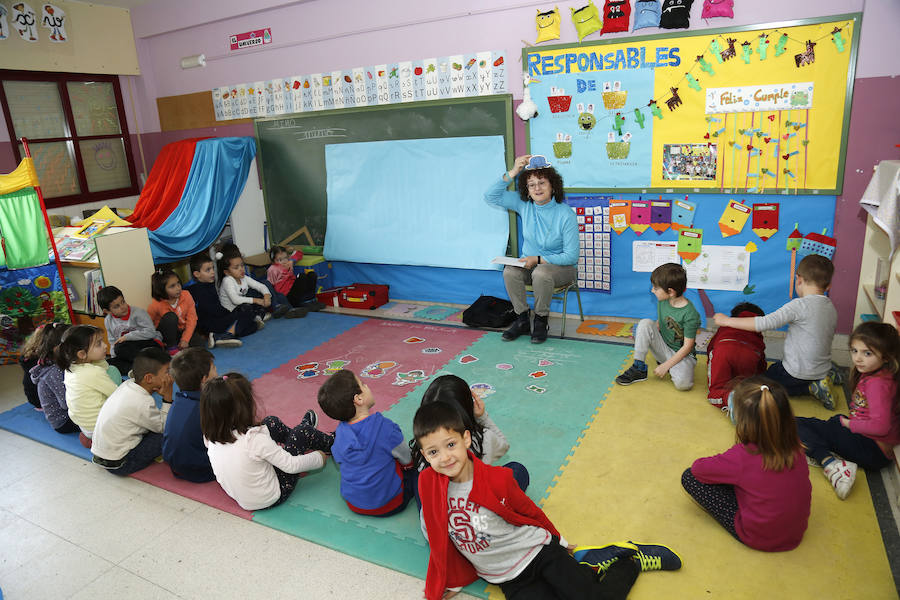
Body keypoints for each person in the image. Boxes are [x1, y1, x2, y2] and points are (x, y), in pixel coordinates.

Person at [414, 401, 680, 600]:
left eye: (451, 445)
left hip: (538, 553)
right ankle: (590, 567)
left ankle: (629, 562)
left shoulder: (498, 479)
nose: (445, 457)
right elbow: (437, 533)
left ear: (466, 439)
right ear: (425, 456)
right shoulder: (428, 484)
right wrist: (452, 577)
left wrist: (560, 540)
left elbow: (529, 511)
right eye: (434, 452)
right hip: (508, 578)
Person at [681, 377, 811, 552]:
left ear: (743, 421)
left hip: (758, 537)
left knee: (689, 477)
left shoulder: (743, 455)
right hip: (795, 533)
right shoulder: (796, 444)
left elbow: (698, 469)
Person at [713, 254, 838, 409]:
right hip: (821, 368)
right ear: (828, 287)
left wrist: (727, 321)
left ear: (798, 280)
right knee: (776, 370)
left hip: (796, 372)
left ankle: (810, 388)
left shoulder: (799, 305)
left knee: (759, 384)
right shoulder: (830, 307)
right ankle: (825, 377)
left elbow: (764, 323)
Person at [796, 322, 900, 500]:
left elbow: (881, 427)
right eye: (854, 351)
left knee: (794, 426)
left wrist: (848, 424)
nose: (858, 358)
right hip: (872, 445)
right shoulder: (881, 374)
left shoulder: (878, 384)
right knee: (824, 424)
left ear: (886, 356)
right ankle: (820, 447)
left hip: (871, 448)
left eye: (867, 353)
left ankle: (832, 465)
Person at [202, 372, 333, 510]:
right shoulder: (254, 440)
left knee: (271, 423)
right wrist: (319, 458)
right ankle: (331, 443)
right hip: (271, 495)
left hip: (245, 497)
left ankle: (305, 437)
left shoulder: (209, 437)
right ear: (244, 408)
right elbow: (291, 465)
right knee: (302, 432)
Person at [484, 154, 578, 344]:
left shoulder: (565, 214)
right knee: (510, 271)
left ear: (552, 186)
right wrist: (513, 172)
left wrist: (539, 259)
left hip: (561, 269)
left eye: (542, 183)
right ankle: (522, 319)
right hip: (532, 267)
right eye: (531, 184)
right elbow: (490, 196)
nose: (537, 188)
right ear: (526, 190)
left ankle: (541, 320)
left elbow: (571, 256)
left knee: (542, 273)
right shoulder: (524, 205)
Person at [317, 369, 416, 517]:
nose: (367, 385)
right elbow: (407, 459)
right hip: (391, 504)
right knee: (418, 469)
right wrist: (410, 466)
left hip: (354, 504)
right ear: (359, 399)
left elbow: (340, 462)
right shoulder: (385, 428)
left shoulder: (340, 434)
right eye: (363, 384)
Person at [411, 374, 528, 492]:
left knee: (418, 476)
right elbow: (503, 446)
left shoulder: (424, 442)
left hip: (439, 504)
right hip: (479, 504)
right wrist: (482, 417)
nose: (446, 458)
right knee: (517, 469)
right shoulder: (483, 438)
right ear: (467, 408)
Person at [616, 263, 700, 391]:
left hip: (683, 355)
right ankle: (639, 368)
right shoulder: (663, 301)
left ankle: (670, 366)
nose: (652, 290)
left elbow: (687, 347)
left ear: (670, 292)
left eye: (655, 288)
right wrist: (642, 335)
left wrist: (666, 366)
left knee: (683, 385)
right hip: (664, 348)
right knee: (644, 323)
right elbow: (660, 324)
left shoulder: (690, 314)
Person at [91, 347, 173, 476]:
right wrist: (168, 398)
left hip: (101, 456)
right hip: (120, 464)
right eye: (167, 372)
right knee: (169, 434)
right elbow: (164, 427)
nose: (170, 376)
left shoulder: (128, 385)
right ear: (149, 378)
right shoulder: (142, 402)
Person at [57, 325, 122, 445]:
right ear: (81, 354)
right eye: (99, 344)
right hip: (101, 427)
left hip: (85, 426)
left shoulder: (70, 368)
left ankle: (91, 438)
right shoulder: (93, 373)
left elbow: (104, 366)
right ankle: (102, 441)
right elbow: (117, 395)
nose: (105, 345)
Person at [163, 347, 217, 483]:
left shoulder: (179, 399)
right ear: (204, 379)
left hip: (174, 466)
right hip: (202, 471)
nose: (217, 372)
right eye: (214, 369)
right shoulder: (208, 406)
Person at [706, 302, 767, 412]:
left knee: (716, 389)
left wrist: (712, 366)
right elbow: (761, 361)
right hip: (749, 355)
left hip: (723, 350)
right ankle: (748, 399)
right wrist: (759, 378)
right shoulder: (756, 330)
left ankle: (729, 399)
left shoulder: (726, 325)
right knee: (746, 386)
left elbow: (710, 348)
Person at [186, 252, 251, 348]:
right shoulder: (197, 290)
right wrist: (231, 313)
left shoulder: (209, 283)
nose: (212, 272)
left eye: (212, 268)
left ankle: (227, 333)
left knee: (249, 320)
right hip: (210, 324)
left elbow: (217, 305)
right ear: (197, 274)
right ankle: (224, 335)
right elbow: (211, 309)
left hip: (217, 319)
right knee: (246, 309)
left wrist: (230, 313)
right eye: (208, 270)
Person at [98, 285, 163, 376]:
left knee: (120, 347)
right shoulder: (108, 321)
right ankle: (137, 369)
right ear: (107, 311)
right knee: (109, 364)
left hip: (148, 344)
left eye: (123, 302)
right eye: (116, 306)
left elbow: (151, 332)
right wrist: (116, 357)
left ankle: (148, 364)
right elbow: (113, 341)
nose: (123, 307)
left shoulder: (138, 313)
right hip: (129, 352)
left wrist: (127, 337)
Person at [27, 322, 79, 433]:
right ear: (59, 348)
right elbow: (66, 403)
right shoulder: (54, 372)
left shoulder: (58, 363)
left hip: (69, 413)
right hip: (63, 421)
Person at [218, 252, 284, 329]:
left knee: (265, 284)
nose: (241, 269)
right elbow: (235, 300)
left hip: (244, 306)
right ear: (227, 272)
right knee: (247, 306)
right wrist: (256, 300)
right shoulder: (227, 281)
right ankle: (256, 317)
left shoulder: (244, 277)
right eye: (236, 268)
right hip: (232, 312)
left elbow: (260, 286)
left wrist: (267, 296)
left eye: (242, 265)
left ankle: (263, 314)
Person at [147, 269, 205, 354]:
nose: (178, 288)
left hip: (181, 331)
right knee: (171, 317)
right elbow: (148, 324)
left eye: (178, 283)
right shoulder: (156, 304)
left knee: (200, 345)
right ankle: (171, 348)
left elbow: (192, 319)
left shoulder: (186, 295)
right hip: (166, 335)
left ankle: (180, 347)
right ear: (162, 289)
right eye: (172, 286)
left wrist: (185, 339)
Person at [266, 244, 324, 314]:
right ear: (273, 261)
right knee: (302, 276)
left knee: (312, 275)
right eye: (280, 260)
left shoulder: (289, 263)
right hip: (287, 296)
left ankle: (311, 300)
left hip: (294, 290)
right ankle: (303, 302)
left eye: (285, 258)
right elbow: (270, 285)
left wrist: (292, 261)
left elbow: (299, 253)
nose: (284, 261)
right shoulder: (272, 269)